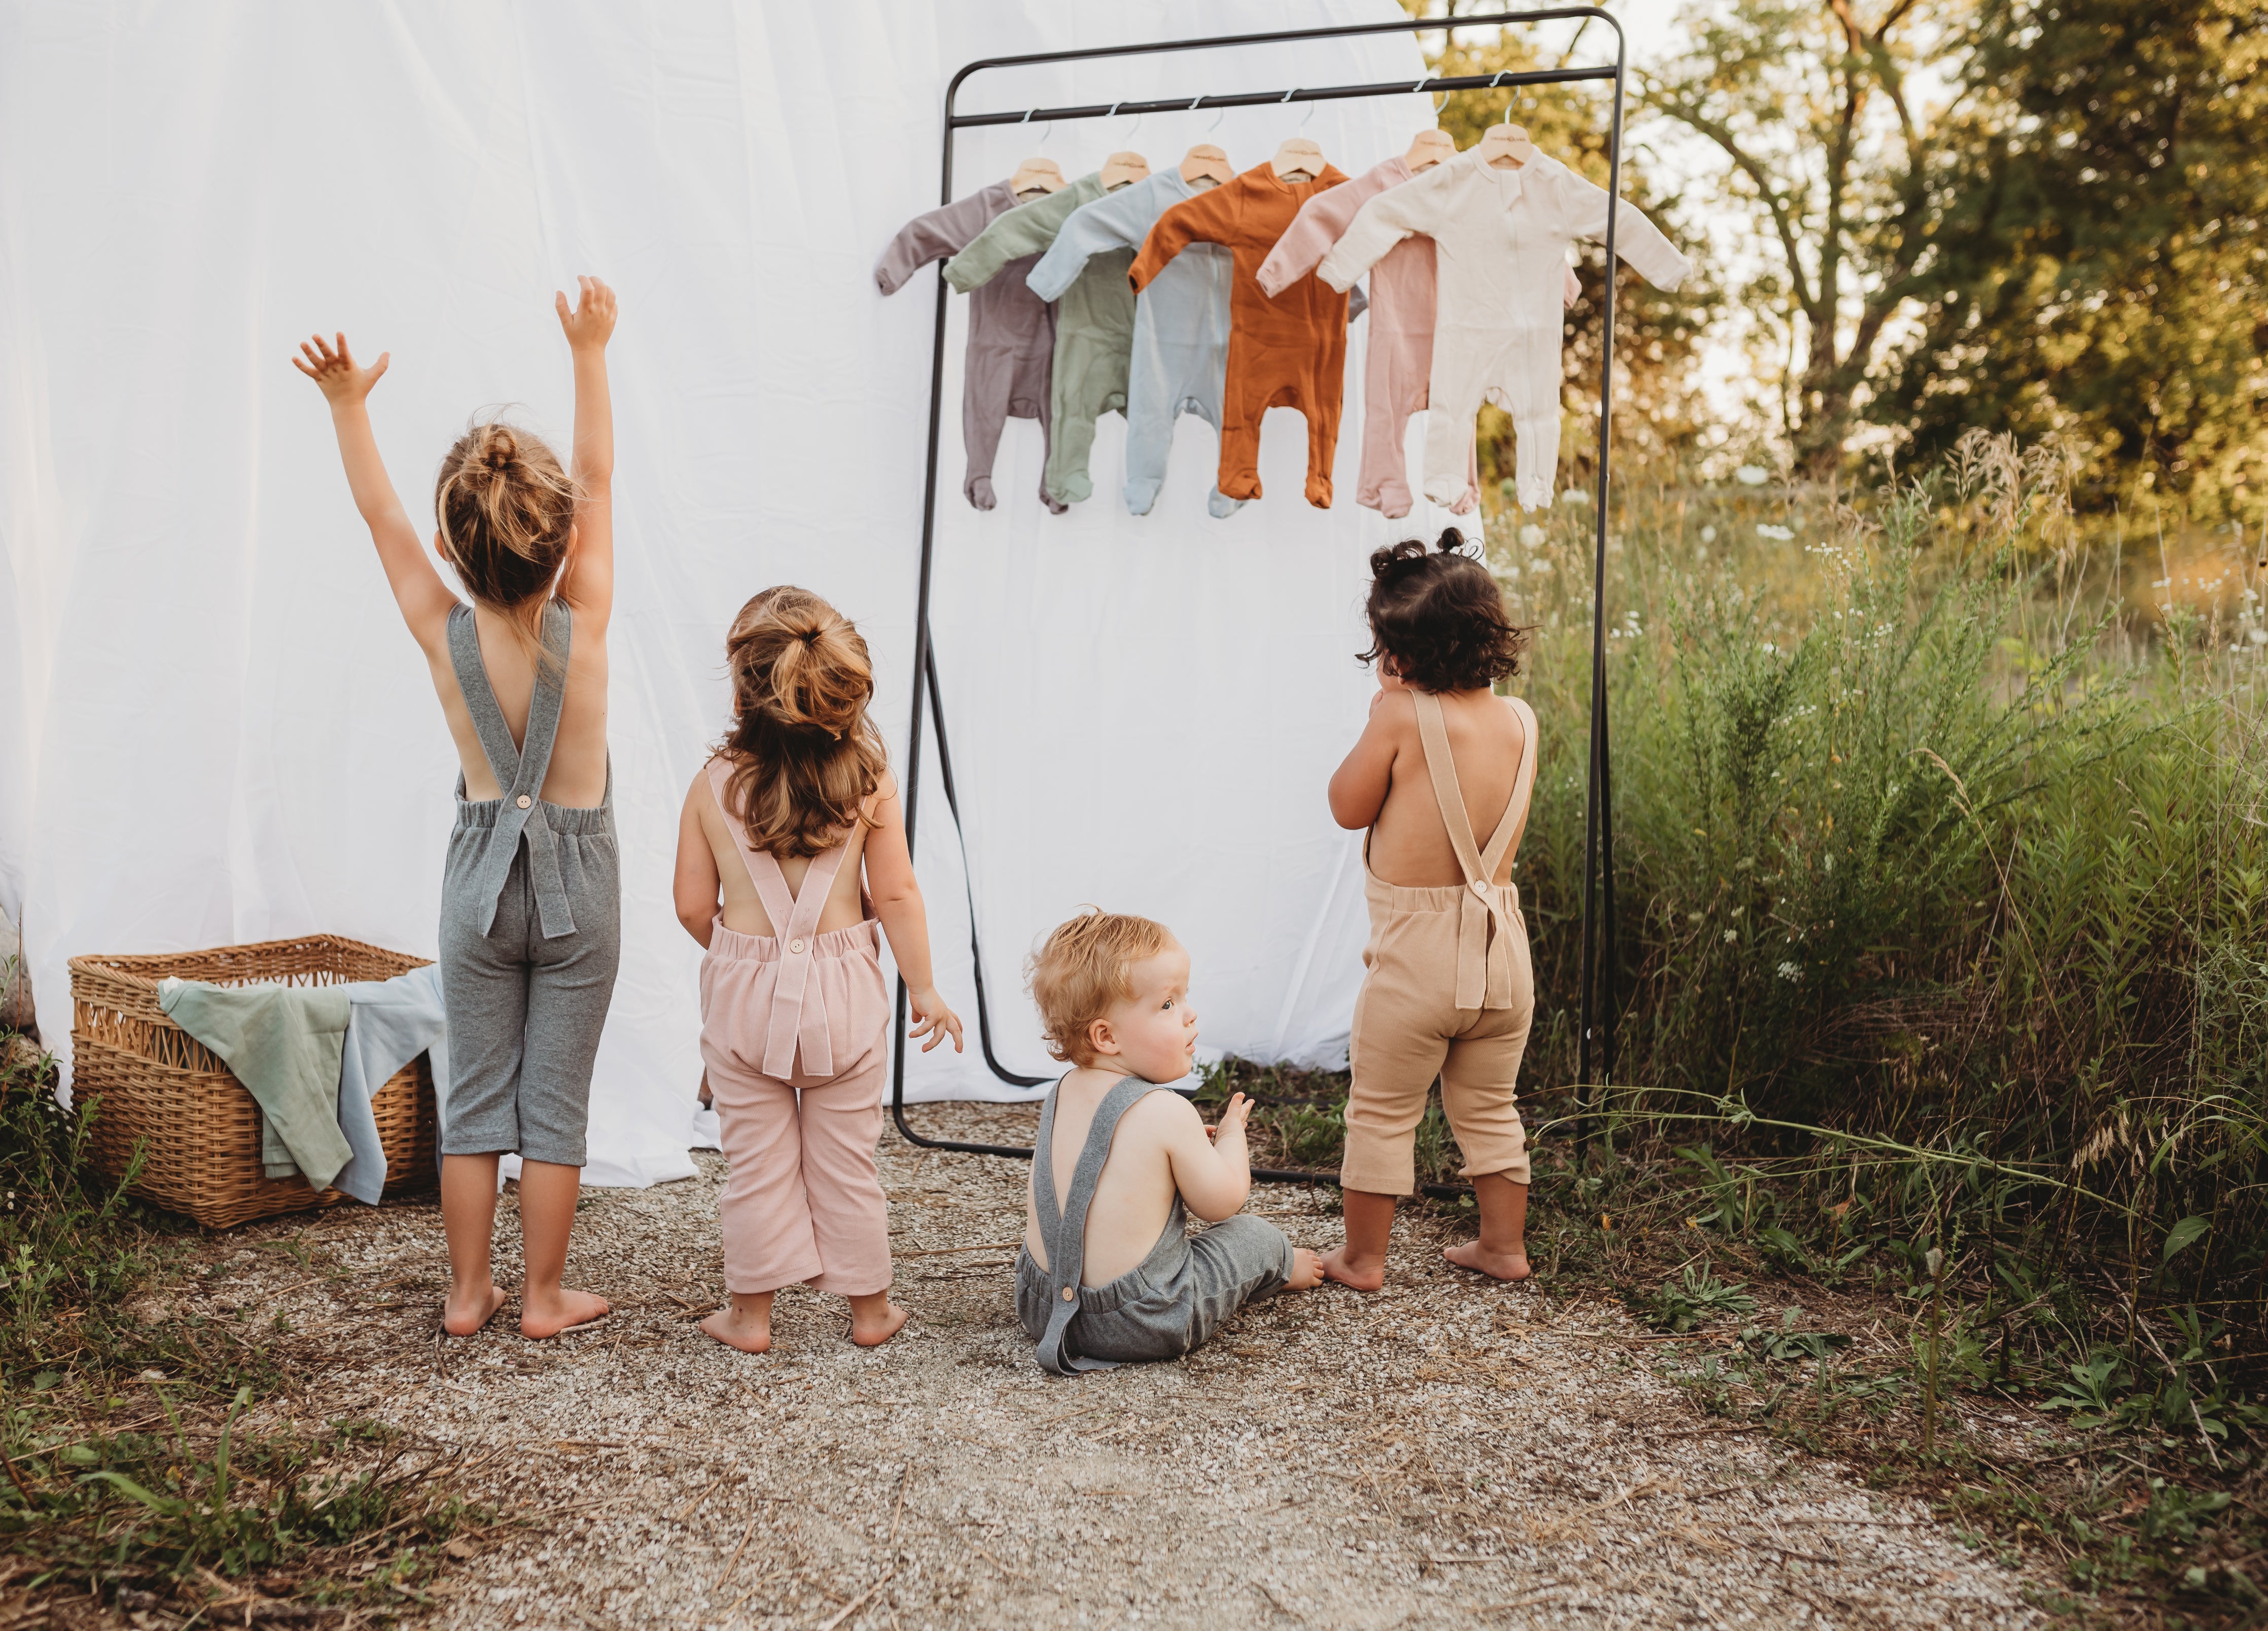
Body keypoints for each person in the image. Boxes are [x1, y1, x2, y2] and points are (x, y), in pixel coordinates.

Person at [295, 279, 623, 1339]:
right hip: (582, 890)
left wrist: (349, 407)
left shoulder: (441, 629)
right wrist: (588, 348)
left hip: (476, 889)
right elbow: (602, 474)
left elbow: (381, 515)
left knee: (476, 1097)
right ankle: (541, 1295)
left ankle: (467, 1291)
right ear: (563, 536)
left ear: (453, 549)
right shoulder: (589, 609)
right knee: (555, 1104)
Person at [673, 587, 964, 1353]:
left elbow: (689, 903)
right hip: (845, 996)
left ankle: (752, 1317)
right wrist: (924, 987)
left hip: (744, 993)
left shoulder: (712, 785)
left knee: (758, 1164)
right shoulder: (870, 781)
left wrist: (741, 950)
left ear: (743, 688)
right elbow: (897, 890)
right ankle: (870, 1312)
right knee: (846, 1161)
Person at [1319, 530, 1539, 1291]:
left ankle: (1362, 1257)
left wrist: (1384, 712)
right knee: (1489, 1104)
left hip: (1417, 959)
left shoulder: (1400, 716)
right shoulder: (1521, 720)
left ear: (1398, 656)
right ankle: (1503, 1247)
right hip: (1504, 949)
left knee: (1380, 1109)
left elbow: (1349, 808)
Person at [1016, 911, 1322, 1374]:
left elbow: (1103, 1163)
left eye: (1185, 997)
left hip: (1042, 1308)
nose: (1189, 1012)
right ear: (1107, 1036)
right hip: (1142, 1317)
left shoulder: (1060, 1094)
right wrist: (1233, 1135)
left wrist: (1170, 1156)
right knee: (1253, 1235)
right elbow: (1222, 1202)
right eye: (1167, 1004)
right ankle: (1285, 1266)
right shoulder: (1167, 1109)